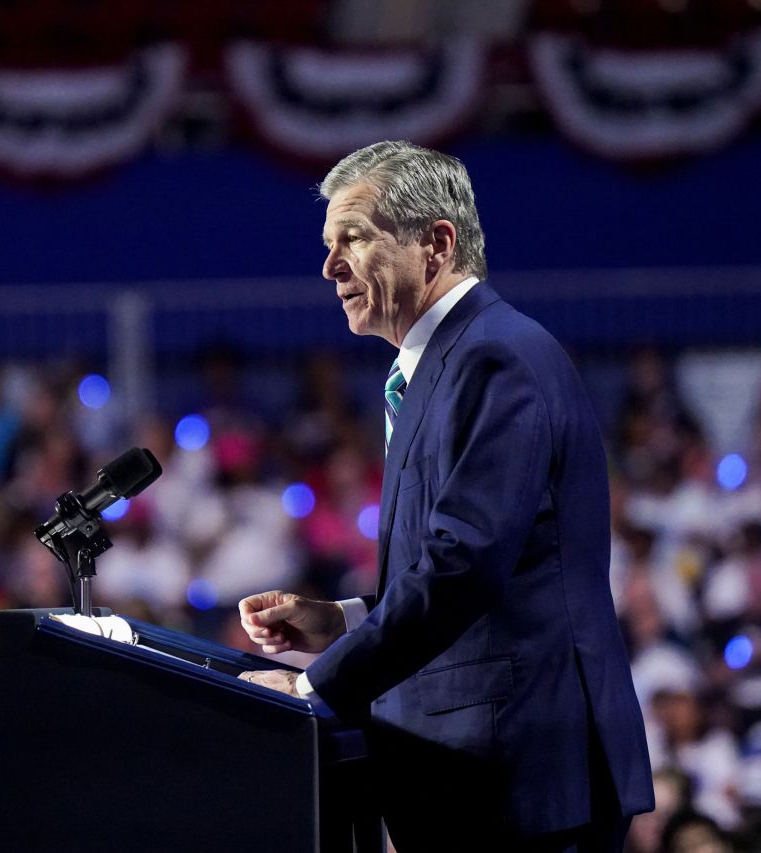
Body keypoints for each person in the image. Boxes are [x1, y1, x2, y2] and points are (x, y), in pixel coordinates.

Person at [238, 140, 653, 850]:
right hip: (488, 770)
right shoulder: (445, 364)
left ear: (435, 243)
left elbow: (466, 564)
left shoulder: (494, 357)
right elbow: (485, 580)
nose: (330, 266)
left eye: (353, 239)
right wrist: (340, 620)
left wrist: (316, 687)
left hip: (523, 773)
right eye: (328, 244)